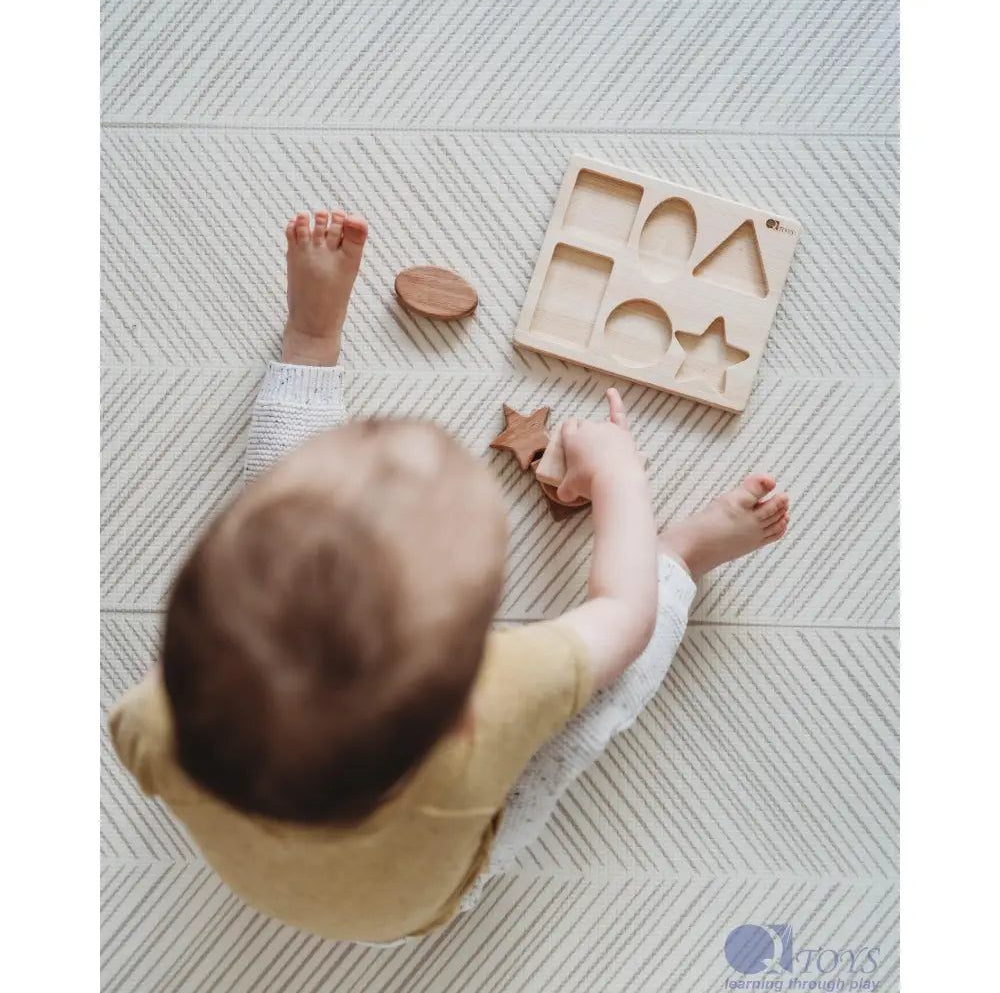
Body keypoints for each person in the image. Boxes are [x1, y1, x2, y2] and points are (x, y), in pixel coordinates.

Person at [110, 210, 790, 944]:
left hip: (262, 861)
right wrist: (622, 478)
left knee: (283, 542)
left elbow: (269, 556)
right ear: (467, 671)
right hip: (423, 897)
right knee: (588, 716)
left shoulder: (153, 717)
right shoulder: (499, 696)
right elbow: (624, 615)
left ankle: (310, 344)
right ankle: (685, 556)